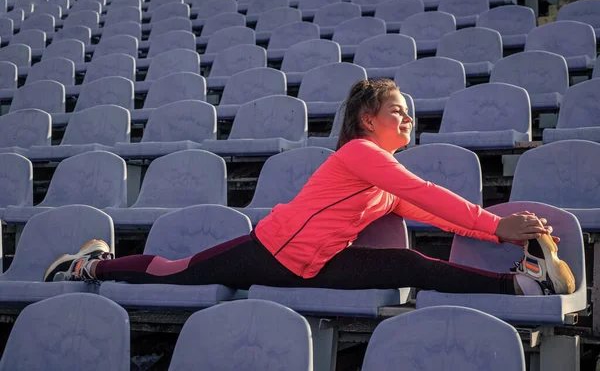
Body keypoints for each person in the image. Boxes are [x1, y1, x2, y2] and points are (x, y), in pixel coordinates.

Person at [44, 78, 575, 296]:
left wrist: (500, 236)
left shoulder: (383, 180)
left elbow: (437, 214)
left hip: (320, 263)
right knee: (177, 272)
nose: (409, 118)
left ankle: (521, 283)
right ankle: (90, 264)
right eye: (398, 111)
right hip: (270, 251)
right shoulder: (361, 154)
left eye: (411, 113)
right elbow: (427, 191)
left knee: (413, 265)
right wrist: (496, 221)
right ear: (368, 120)